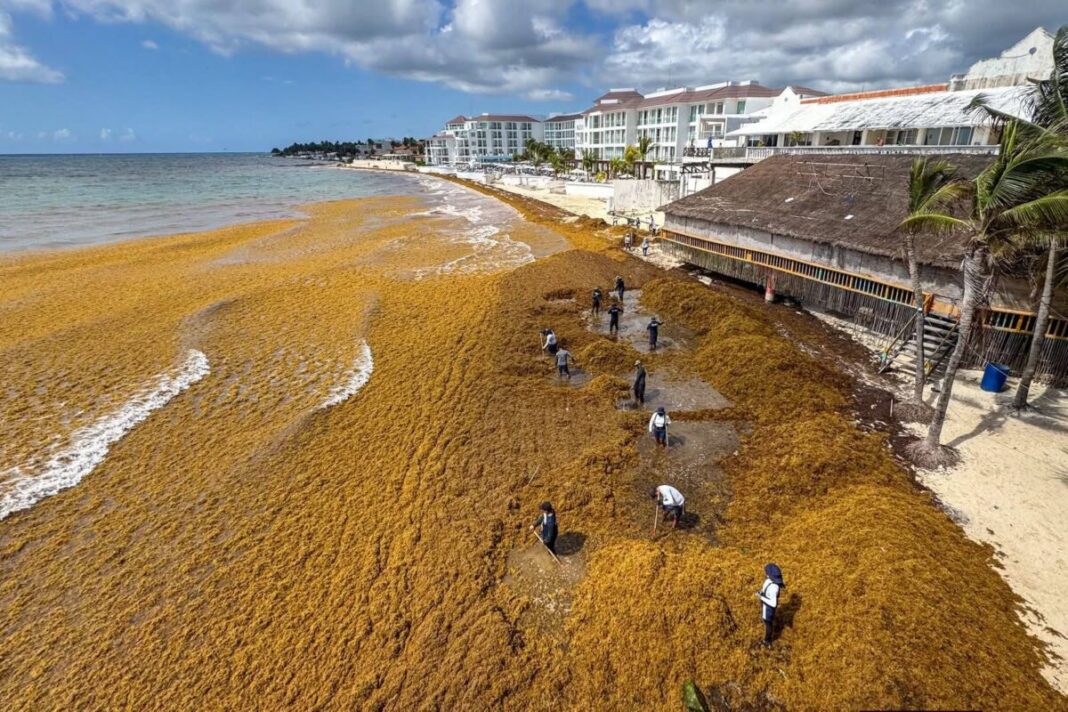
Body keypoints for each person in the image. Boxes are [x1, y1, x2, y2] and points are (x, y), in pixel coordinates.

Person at [757, 563, 786, 647]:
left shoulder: (774, 587)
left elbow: (773, 604)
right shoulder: (768, 581)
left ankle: (767, 641)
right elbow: (765, 589)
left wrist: (761, 597)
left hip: (769, 609)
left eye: (767, 572)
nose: (765, 574)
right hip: (765, 607)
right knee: (766, 621)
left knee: (768, 623)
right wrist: (761, 593)